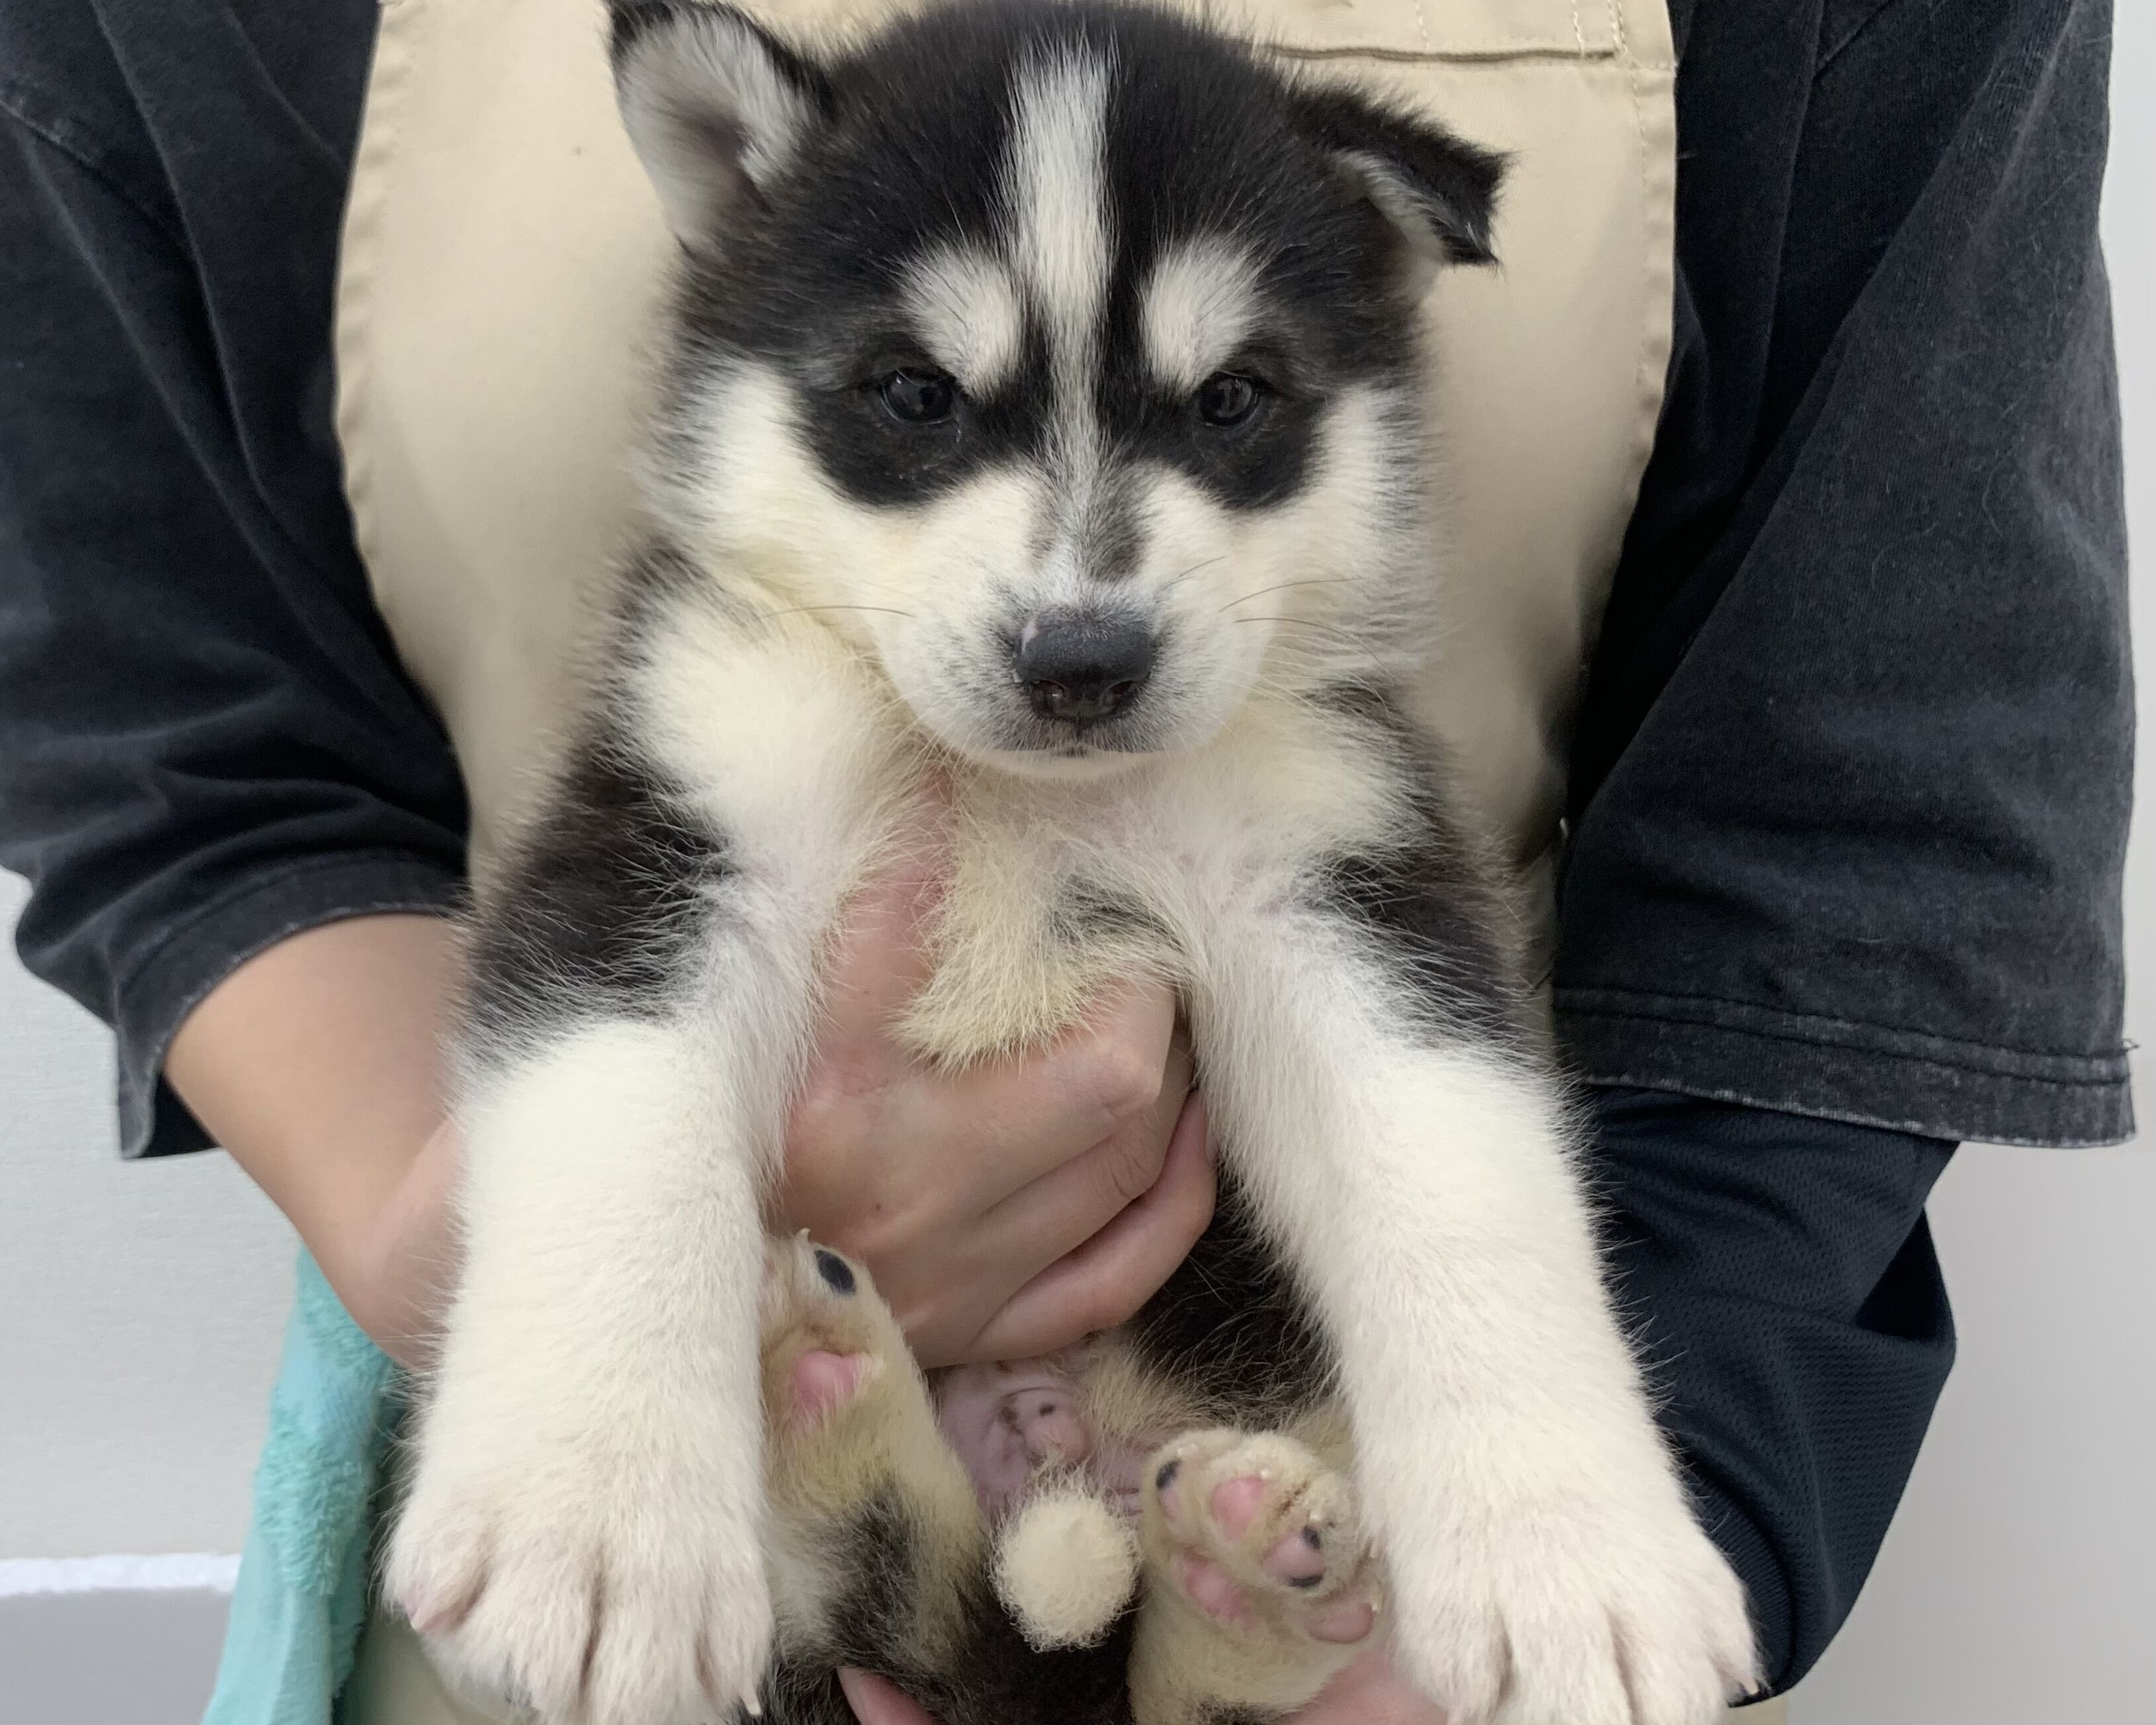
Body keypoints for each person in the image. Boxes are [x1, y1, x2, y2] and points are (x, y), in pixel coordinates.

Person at [0, 0, 2129, 1720]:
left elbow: (1501, 1013)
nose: (1080, 601)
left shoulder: (1289, 711)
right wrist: (558, 1356)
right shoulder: (745, 654)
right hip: (596, 1622)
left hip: (1329, 1594)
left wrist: (1560, 1493)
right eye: (922, 401)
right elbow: (203, 735)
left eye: (1228, 412)